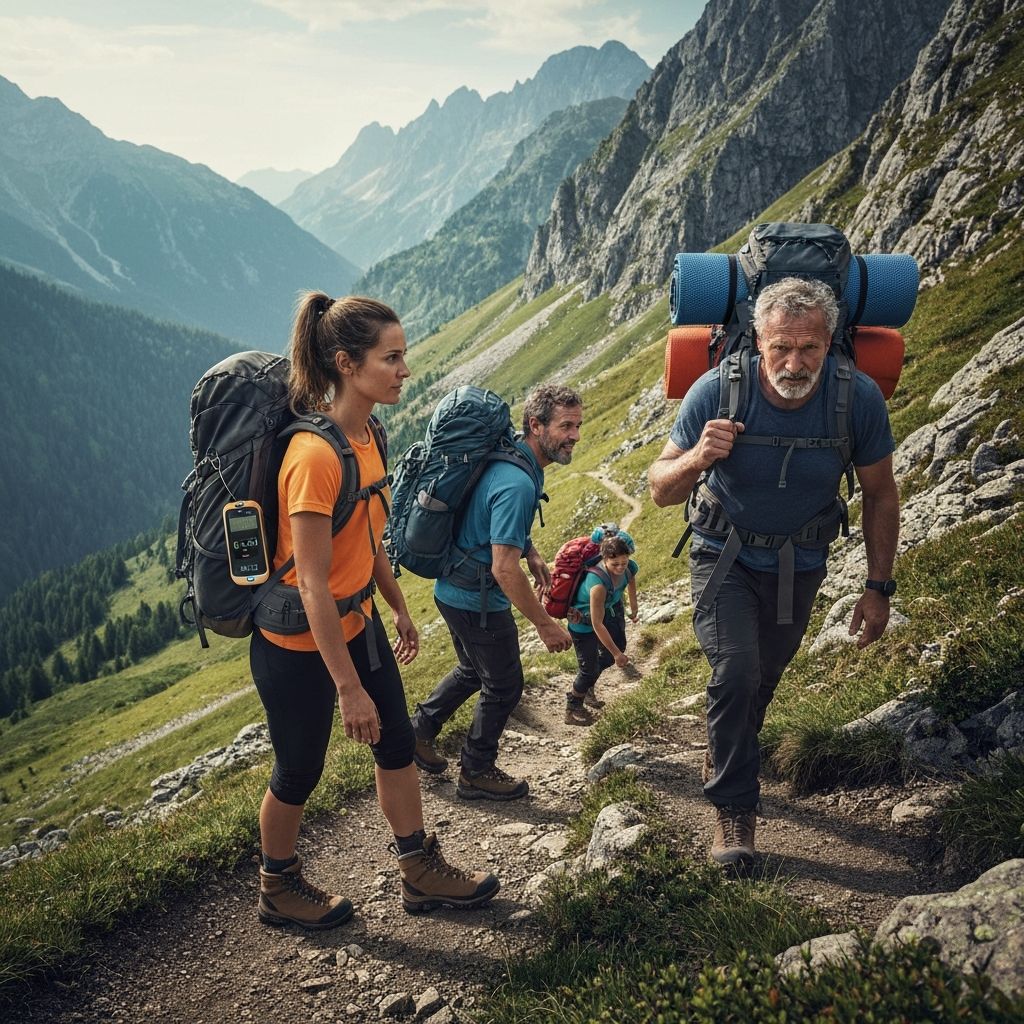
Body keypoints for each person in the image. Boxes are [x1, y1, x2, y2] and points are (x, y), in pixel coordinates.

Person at [251, 293, 498, 929]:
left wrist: (397, 606)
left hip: (357, 624)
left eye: (403, 356)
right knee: (299, 769)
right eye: (391, 358)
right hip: (299, 644)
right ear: (346, 363)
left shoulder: (368, 436)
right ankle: (277, 886)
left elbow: (366, 536)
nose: (404, 370)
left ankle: (419, 871)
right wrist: (348, 688)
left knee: (396, 744)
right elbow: (311, 584)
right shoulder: (313, 458)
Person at [648, 277, 899, 868]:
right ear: (758, 340)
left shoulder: (857, 398)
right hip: (724, 556)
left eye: (809, 348)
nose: (794, 363)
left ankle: (726, 748)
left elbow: (880, 494)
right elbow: (660, 489)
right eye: (781, 346)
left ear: (829, 342)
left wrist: (877, 587)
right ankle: (734, 812)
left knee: (763, 678)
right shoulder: (717, 390)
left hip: (801, 562)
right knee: (736, 670)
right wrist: (697, 457)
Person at [410, 384, 584, 799]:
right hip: (477, 602)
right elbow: (503, 569)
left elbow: (493, 519)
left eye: (578, 425)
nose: (575, 435)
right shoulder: (518, 482)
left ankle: (417, 732)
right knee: (504, 686)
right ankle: (475, 771)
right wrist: (544, 624)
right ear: (536, 425)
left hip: (453, 589)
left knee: (474, 670)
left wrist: (531, 550)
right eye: (566, 426)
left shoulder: (513, 456)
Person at [564, 527, 639, 726]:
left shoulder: (629, 567)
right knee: (589, 669)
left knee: (614, 650)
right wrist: (617, 655)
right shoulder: (597, 584)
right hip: (583, 625)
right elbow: (597, 624)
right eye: (615, 564)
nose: (621, 567)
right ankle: (572, 708)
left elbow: (630, 580)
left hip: (605, 613)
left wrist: (634, 607)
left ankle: (587, 687)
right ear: (604, 559)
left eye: (624, 562)